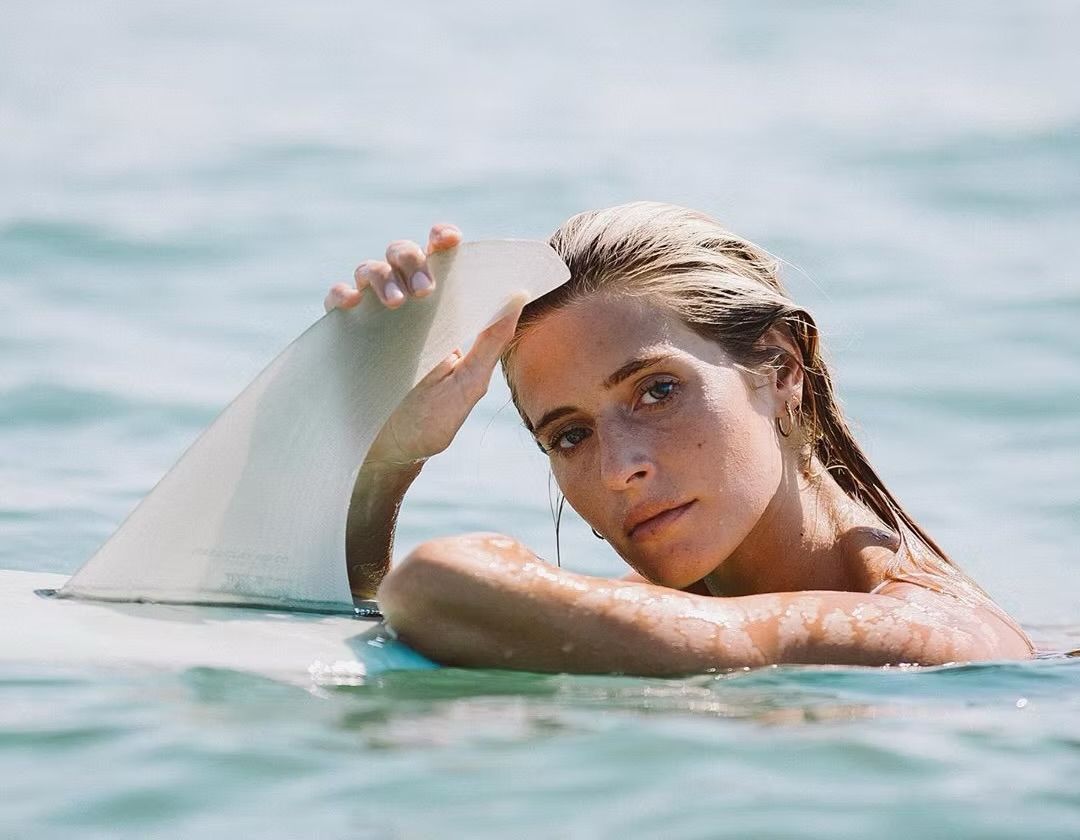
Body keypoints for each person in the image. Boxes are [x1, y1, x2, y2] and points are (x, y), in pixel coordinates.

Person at [323, 202, 1033, 675]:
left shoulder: (927, 640)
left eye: (657, 391)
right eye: (569, 435)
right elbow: (406, 612)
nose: (618, 469)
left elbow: (438, 585)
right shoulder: (684, 612)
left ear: (783, 367)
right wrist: (388, 458)